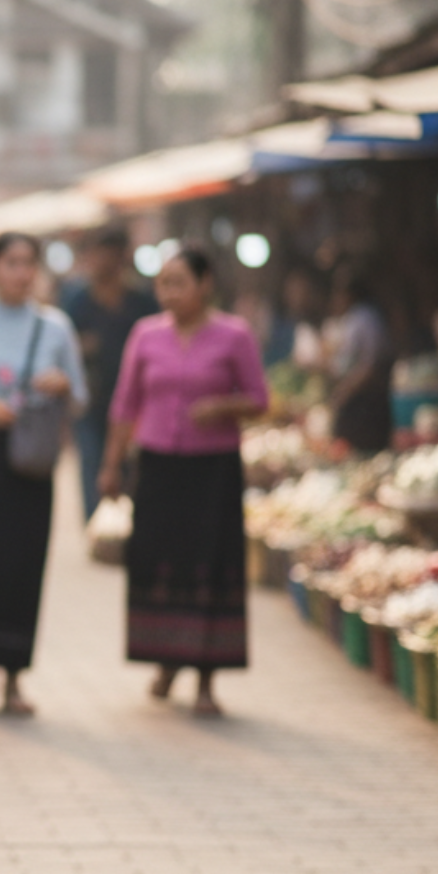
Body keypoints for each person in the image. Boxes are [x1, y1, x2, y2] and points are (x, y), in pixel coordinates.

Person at [98, 247, 269, 718]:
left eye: (179, 282)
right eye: (163, 283)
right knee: (158, 561)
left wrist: (221, 407)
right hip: (156, 468)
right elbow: (124, 405)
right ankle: (167, 660)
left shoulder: (234, 335)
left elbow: (259, 399)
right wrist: (111, 465)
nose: (168, 292)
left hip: (212, 470)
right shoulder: (145, 335)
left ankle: (207, 678)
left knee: (210, 566)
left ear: (205, 283)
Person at [0, 232, 87, 716]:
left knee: (23, 567)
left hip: (30, 461)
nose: (22, 272)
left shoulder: (55, 327)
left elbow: (81, 397)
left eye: (30, 262)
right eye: (12, 262)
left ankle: (13, 678)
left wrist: (63, 384)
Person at [61, 228, 159, 519]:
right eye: (98, 256)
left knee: (132, 469)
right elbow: (64, 347)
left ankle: (130, 528)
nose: (103, 262)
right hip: (92, 401)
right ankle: (98, 529)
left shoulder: (140, 301)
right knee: (92, 467)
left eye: (110, 256)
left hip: (135, 403)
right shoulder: (77, 300)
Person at [324, 269, 393, 454]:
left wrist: (345, 390)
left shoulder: (366, 317)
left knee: (364, 452)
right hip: (355, 397)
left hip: (366, 401)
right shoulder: (352, 318)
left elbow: (372, 364)